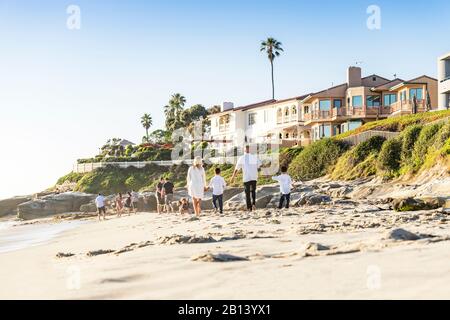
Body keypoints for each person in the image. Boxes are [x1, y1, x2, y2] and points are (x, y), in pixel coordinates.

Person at [230, 145, 262, 212]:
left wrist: (233, 177)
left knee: (247, 193)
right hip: (254, 177)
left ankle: (249, 207)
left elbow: (237, 169)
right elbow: (260, 165)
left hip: (246, 177)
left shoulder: (242, 158)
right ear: (250, 150)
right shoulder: (254, 157)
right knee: (253, 191)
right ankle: (253, 204)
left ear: (245, 150)